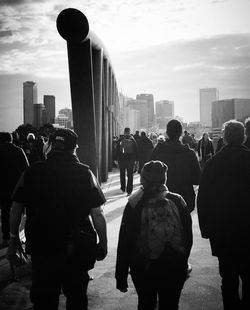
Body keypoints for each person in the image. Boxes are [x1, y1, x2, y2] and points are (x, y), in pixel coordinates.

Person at [8, 128, 108, 310]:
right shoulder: (85, 174)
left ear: (50, 146)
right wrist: (103, 242)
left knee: (45, 297)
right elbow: (97, 213)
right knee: (76, 296)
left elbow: (16, 208)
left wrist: (14, 236)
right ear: (74, 148)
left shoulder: (32, 172)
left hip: (42, 244)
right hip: (76, 245)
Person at [116, 160, 193, 310]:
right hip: (174, 266)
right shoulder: (177, 200)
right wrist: (182, 262)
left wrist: (121, 277)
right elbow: (188, 237)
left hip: (143, 268)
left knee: (146, 303)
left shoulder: (134, 203)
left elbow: (125, 241)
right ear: (165, 179)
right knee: (170, 305)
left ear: (143, 179)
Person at [197, 120, 250, 309]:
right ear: (243, 136)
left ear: (225, 138)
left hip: (223, 231)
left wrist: (206, 230)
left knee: (228, 278)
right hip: (247, 230)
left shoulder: (213, 164)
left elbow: (203, 199)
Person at [151, 119, 201, 213]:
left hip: (160, 200)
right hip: (185, 200)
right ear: (181, 133)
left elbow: (147, 174)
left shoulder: (157, 151)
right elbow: (197, 179)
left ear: (167, 133)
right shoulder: (189, 154)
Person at [0, 132, 29, 247]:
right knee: (19, 210)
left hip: (2, 186)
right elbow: (26, 169)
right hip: (17, 186)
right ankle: (18, 235)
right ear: (11, 139)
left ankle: (6, 237)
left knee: (5, 211)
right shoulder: (18, 150)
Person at [116, 127, 138, 196]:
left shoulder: (120, 139)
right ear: (129, 132)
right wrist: (136, 160)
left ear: (124, 132)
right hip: (130, 160)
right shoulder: (133, 140)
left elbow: (116, 150)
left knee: (122, 174)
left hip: (122, 160)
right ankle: (129, 190)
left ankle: (123, 188)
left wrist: (116, 159)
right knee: (130, 175)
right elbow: (136, 151)